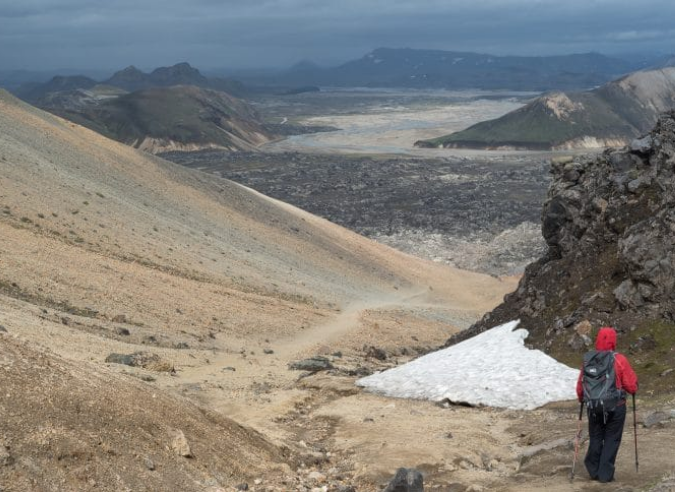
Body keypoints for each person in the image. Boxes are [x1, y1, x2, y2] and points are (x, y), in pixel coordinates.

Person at [576, 326, 638, 483]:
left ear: (597, 339)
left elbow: (580, 385)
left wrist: (582, 398)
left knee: (596, 437)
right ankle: (605, 475)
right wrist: (634, 388)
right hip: (615, 407)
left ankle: (593, 469)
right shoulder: (619, 359)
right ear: (613, 341)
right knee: (612, 438)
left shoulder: (589, 359)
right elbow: (631, 385)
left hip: (593, 406)